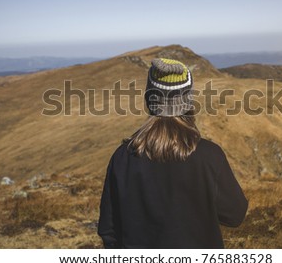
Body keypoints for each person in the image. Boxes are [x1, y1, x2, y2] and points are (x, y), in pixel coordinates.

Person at [98, 58, 248, 248]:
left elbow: (108, 229)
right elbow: (235, 215)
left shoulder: (123, 157)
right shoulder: (210, 156)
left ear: (149, 99)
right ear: (187, 101)